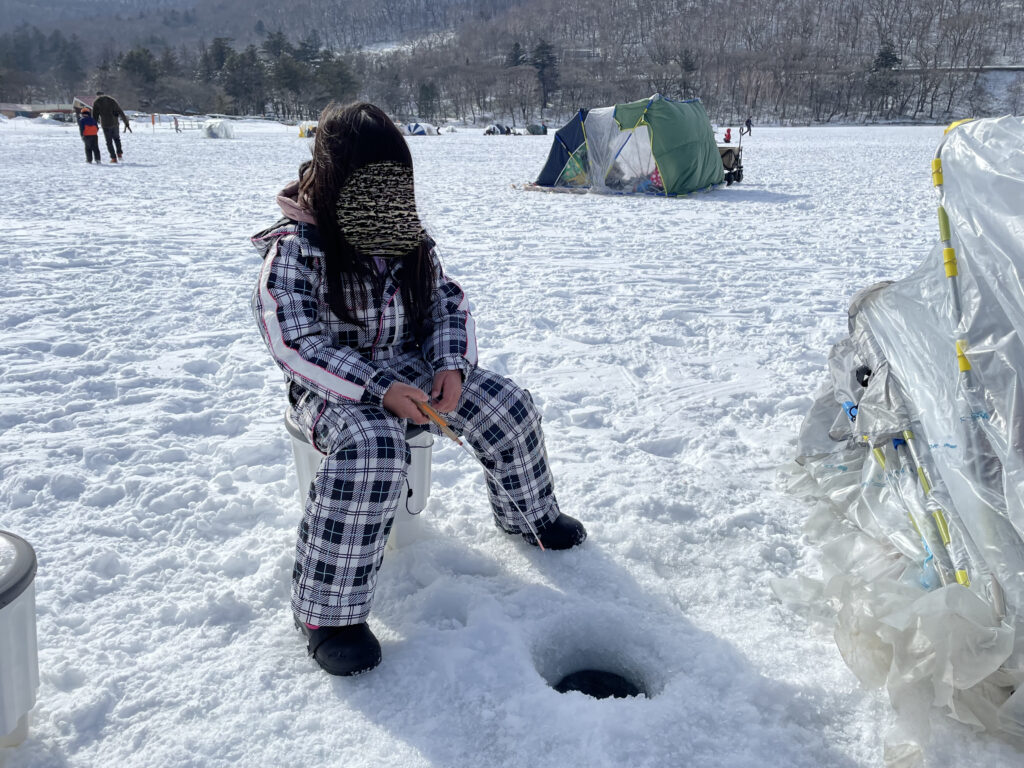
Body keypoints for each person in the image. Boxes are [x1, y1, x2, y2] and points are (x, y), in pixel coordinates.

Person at [251, 102, 586, 677]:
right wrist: (378, 389)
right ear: (332, 177)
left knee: (507, 405)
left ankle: (529, 515)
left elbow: (444, 303)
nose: (385, 200)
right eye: (368, 186)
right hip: (329, 388)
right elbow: (296, 342)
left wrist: (450, 365)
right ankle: (327, 612)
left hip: (413, 367)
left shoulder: (407, 237)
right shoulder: (296, 250)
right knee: (374, 446)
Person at [91, 91, 130, 163]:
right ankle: (119, 153)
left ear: (97, 95)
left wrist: (94, 126)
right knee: (117, 139)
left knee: (109, 142)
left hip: (105, 124)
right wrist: (126, 123)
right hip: (115, 123)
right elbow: (120, 111)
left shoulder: (97, 102)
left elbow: (95, 116)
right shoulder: (112, 100)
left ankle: (113, 158)